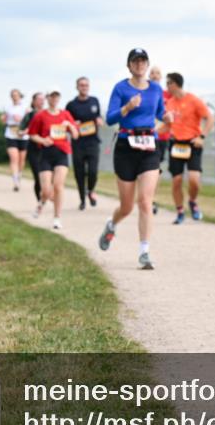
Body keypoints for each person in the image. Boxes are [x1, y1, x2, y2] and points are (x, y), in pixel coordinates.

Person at [98, 48, 165, 270]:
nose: (139, 64)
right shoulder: (121, 88)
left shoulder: (156, 89)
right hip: (126, 147)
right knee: (126, 206)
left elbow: (160, 113)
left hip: (149, 147)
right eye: (135, 61)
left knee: (145, 201)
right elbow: (109, 119)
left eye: (143, 61)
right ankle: (112, 224)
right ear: (129, 66)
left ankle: (144, 252)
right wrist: (127, 107)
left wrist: (168, 117)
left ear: (147, 65)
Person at [163, 72, 213, 224]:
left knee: (194, 180)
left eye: (168, 83)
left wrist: (202, 136)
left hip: (193, 144)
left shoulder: (193, 100)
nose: (166, 87)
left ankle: (192, 201)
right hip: (176, 144)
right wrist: (150, 132)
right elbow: (166, 127)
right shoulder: (169, 103)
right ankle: (179, 210)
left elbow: (210, 118)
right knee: (176, 181)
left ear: (175, 84)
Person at [28, 89, 78, 230]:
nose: (54, 98)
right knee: (46, 190)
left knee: (58, 186)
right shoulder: (40, 116)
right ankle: (41, 203)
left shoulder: (65, 114)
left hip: (62, 153)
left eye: (57, 96)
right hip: (45, 155)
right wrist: (43, 140)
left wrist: (69, 125)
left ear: (59, 98)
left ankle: (57, 218)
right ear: (47, 98)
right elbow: (32, 134)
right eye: (52, 96)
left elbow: (75, 135)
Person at [65, 77, 104, 210]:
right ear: (77, 87)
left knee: (93, 171)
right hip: (78, 144)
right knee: (79, 173)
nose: (84, 87)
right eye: (81, 85)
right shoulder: (71, 105)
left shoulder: (94, 101)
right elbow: (65, 125)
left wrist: (99, 120)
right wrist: (72, 125)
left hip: (93, 142)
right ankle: (82, 200)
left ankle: (90, 190)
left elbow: (98, 117)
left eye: (86, 85)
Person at [148, 66, 172, 215]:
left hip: (162, 137)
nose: (155, 75)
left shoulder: (167, 95)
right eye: (152, 72)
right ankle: (149, 199)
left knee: (156, 169)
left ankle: (151, 198)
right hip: (146, 136)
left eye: (157, 73)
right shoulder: (144, 91)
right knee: (150, 168)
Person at [19, 92, 46, 203]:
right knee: (37, 175)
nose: (41, 101)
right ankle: (39, 200)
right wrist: (26, 131)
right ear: (34, 101)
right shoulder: (29, 115)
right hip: (34, 148)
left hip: (46, 149)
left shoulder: (48, 114)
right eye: (39, 99)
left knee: (47, 176)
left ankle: (46, 194)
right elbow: (20, 131)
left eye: (43, 99)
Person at [2, 89, 30, 191]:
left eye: (16, 95)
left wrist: (21, 119)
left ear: (20, 96)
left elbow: (30, 120)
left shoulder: (25, 107)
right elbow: (4, 120)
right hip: (11, 133)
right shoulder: (8, 107)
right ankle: (15, 182)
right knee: (14, 158)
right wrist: (4, 119)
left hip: (22, 134)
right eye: (13, 95)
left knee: (21, 160)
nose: (14, 97)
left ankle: (19, 175)